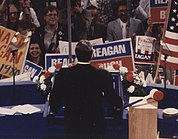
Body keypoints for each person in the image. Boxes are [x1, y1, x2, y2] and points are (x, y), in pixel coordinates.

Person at [49, 40, 123, 138]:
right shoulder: (102, 75)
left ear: (76, 54)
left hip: (72, 123)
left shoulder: (64, 74)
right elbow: (112, 97)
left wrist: (54, 108)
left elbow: (54, 100)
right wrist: (118, 104)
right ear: (92, 55)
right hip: (95, 124)